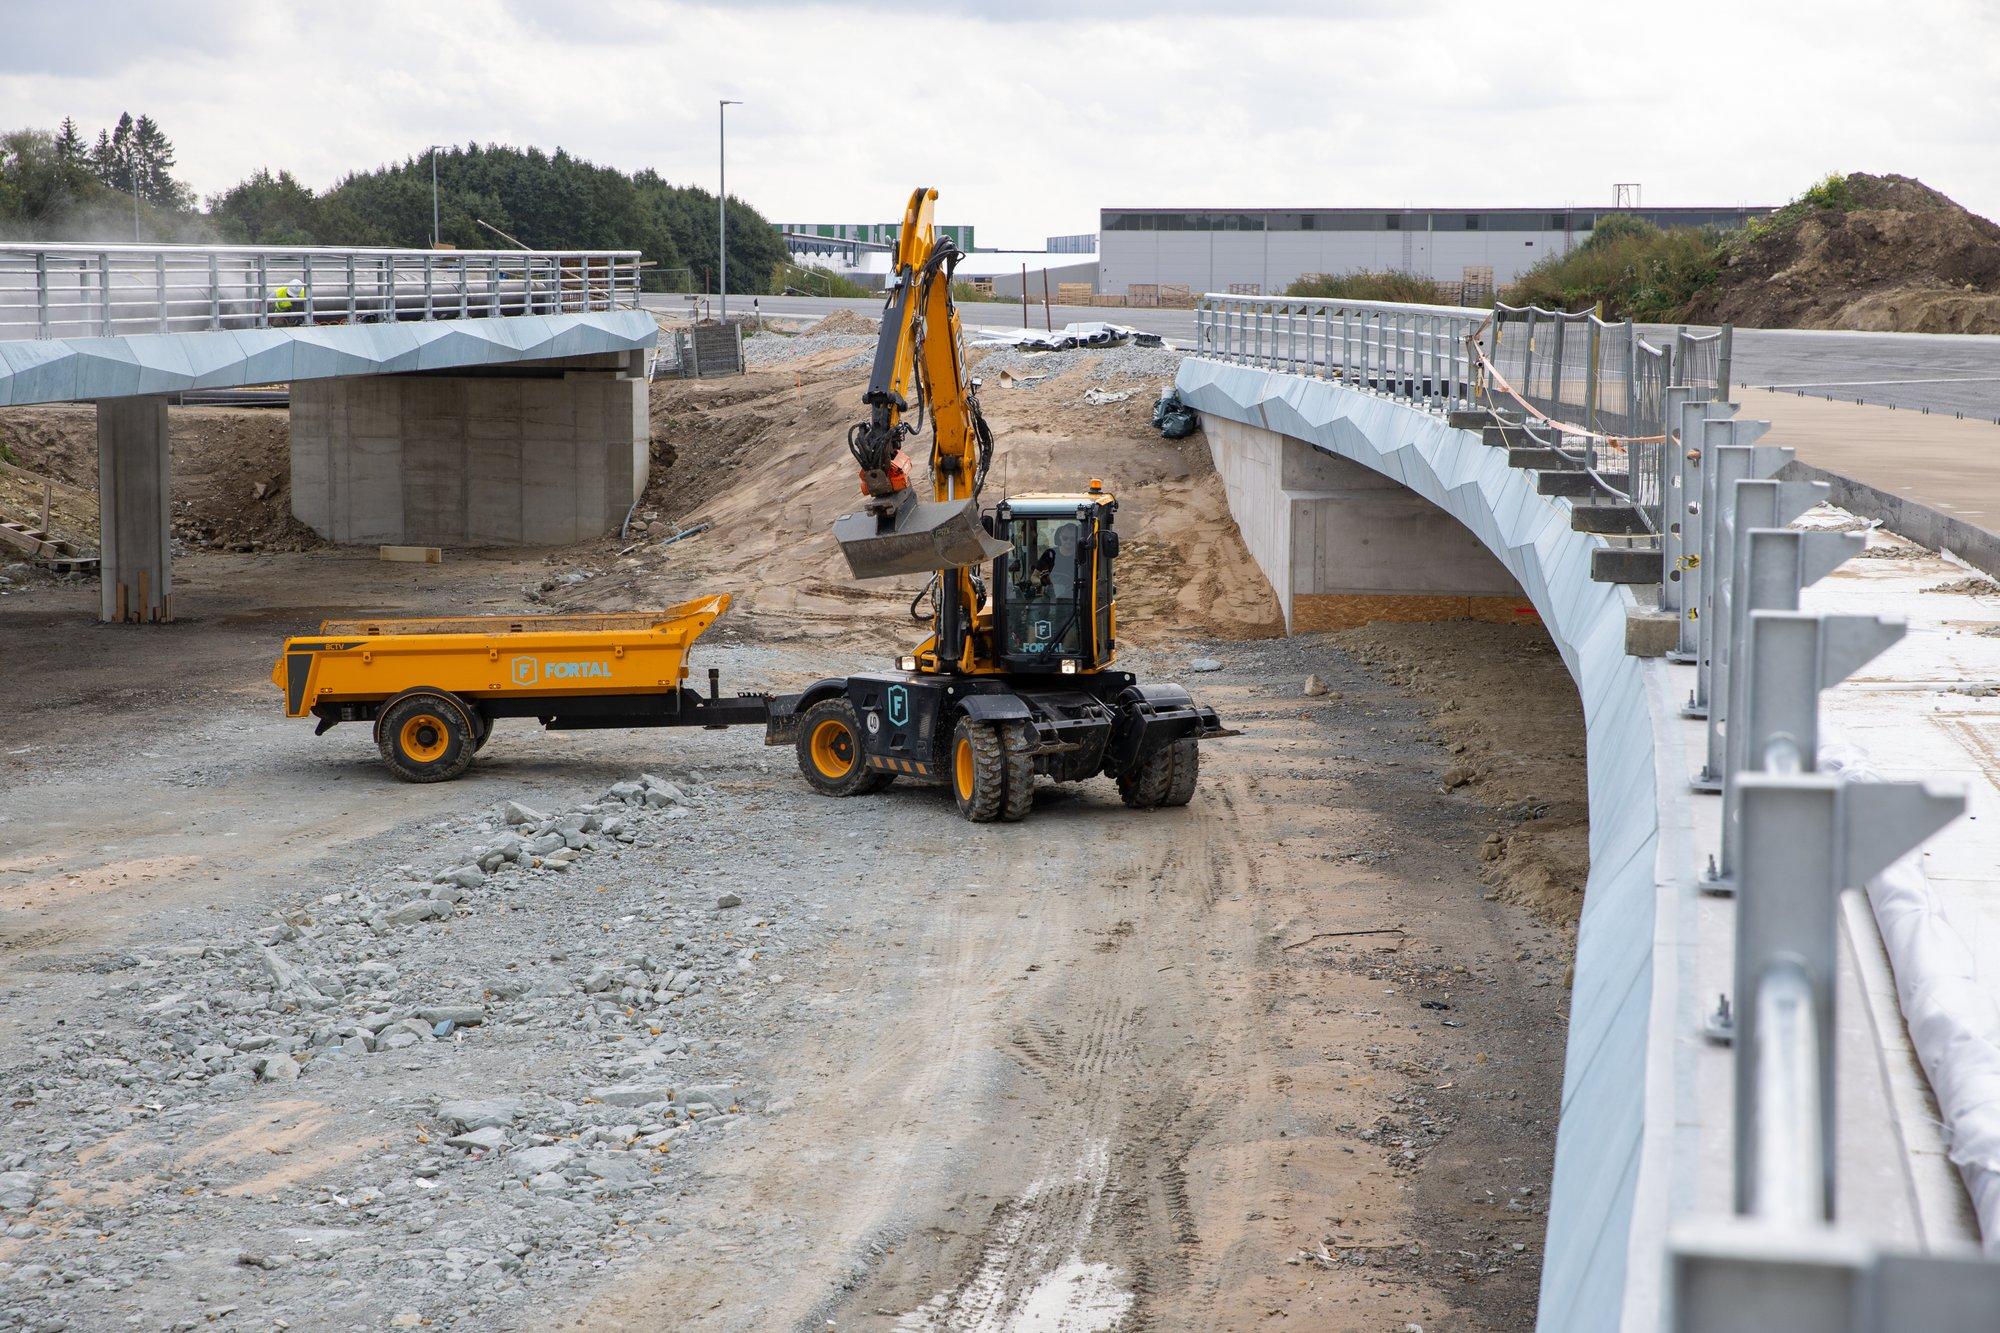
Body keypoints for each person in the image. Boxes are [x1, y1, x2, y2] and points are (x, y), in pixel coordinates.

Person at [1033, 523, 1082, 596]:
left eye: (1072, 539)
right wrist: (1042, 582)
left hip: (1076, 599)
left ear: (1078, 539)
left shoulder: (1083, 555)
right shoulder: (1050, 554)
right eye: (1065, 538)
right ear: (1059, 536)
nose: (1068, 541)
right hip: (1051, 597)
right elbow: (1034, 577)